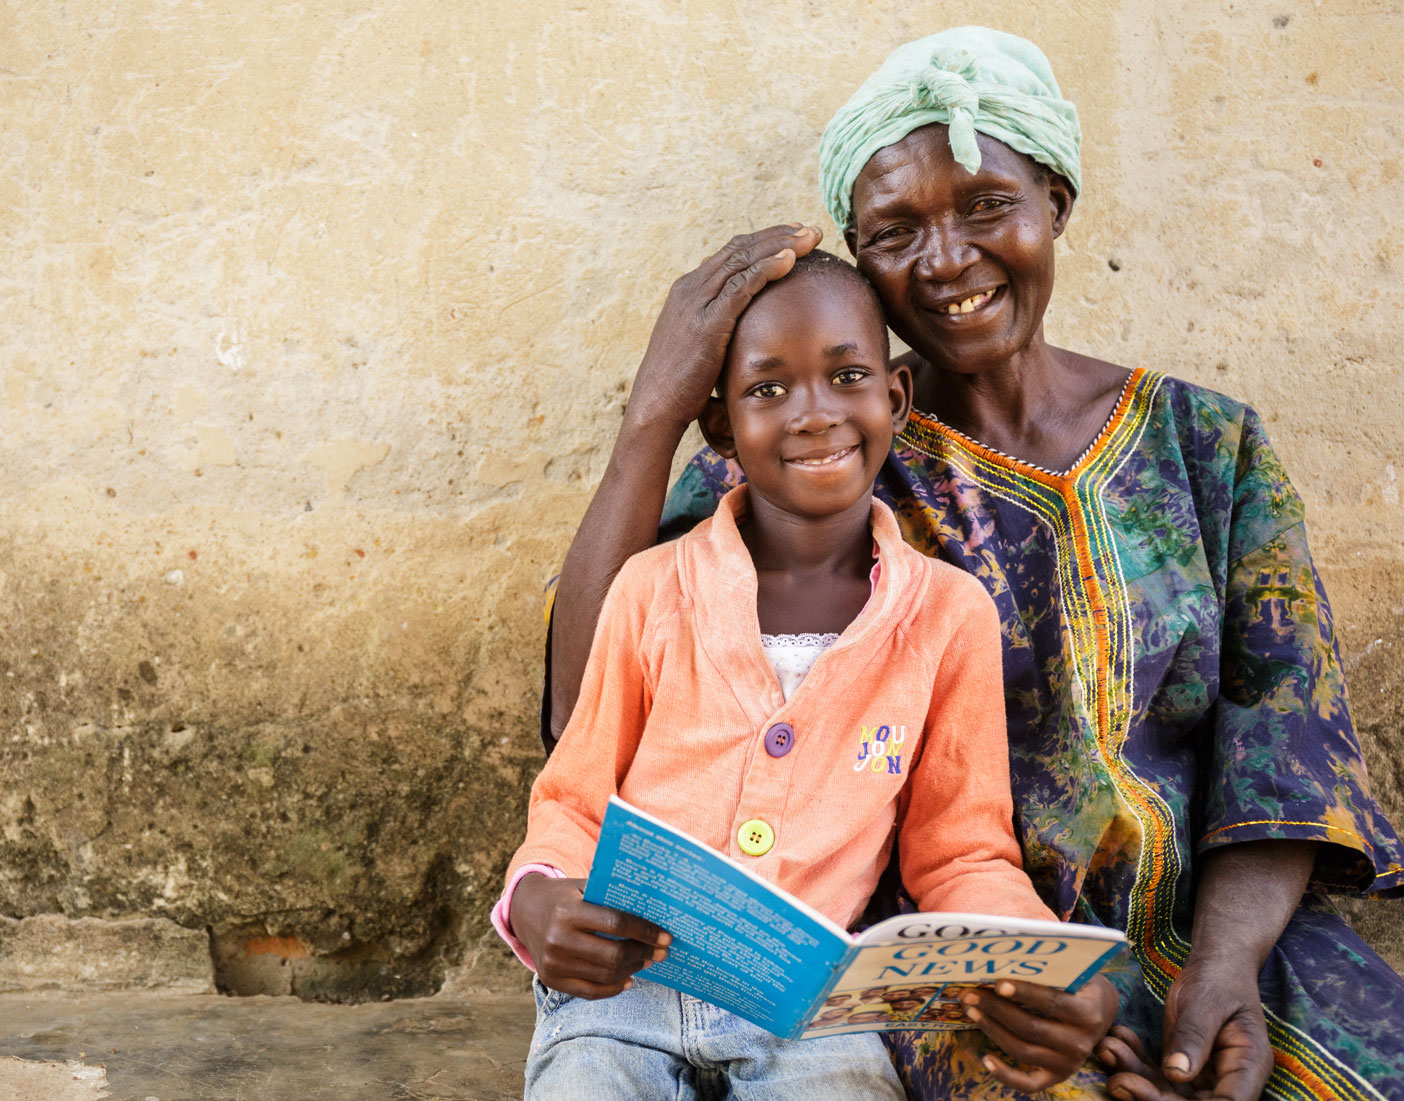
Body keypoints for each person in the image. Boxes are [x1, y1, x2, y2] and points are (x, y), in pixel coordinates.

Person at [542, 25, 1404, 1101]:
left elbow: (1287, 751)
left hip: (1239, 937)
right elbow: (583, 704)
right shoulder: (830, 454)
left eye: (988, 206)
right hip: (959, 969)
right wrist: (654, 416)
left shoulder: (1211, 449)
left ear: (1056, 202)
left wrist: (1224, 973)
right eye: (896, 232)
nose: (946, 259)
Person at [495, 252, 1116, 1098]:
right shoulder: (651, 587)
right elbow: (571, 797)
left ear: (894, 397)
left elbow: (962, 849)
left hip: (811, 1016)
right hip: (616, 998)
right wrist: (536, 899)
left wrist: (1043, 964)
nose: (815, 414)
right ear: (720, 427)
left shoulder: (947, 615)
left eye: (847, 375)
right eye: (767, 389)